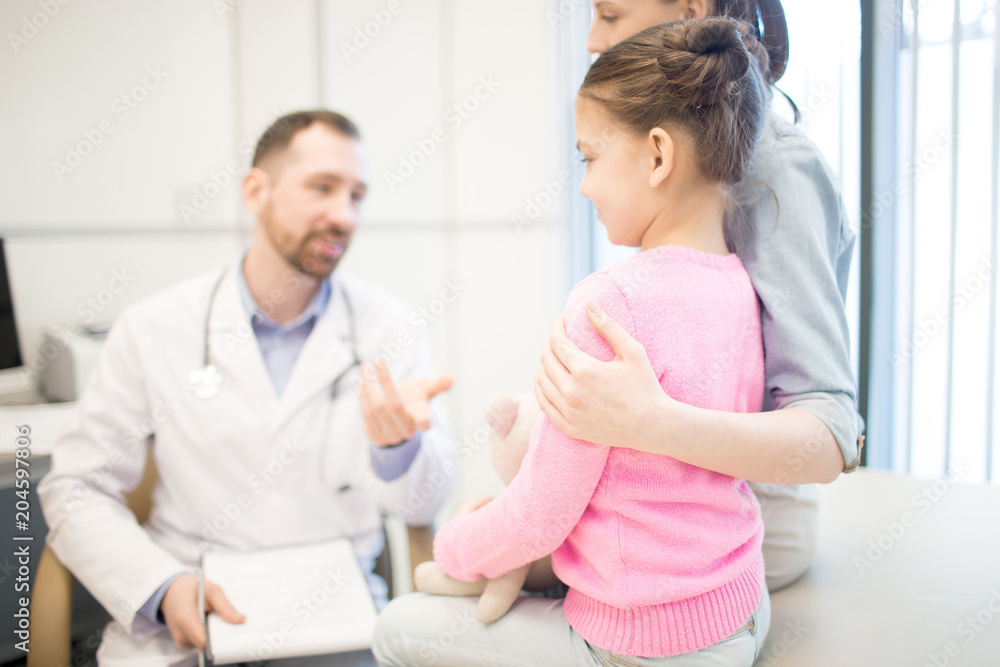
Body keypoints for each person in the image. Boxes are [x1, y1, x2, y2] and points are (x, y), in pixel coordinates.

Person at [374, 17, 774, 665]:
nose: (584, 183)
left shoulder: (610, 301)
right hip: (741, 606)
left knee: (396, 627)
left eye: (589, 156)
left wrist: (453, 543)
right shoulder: (741, 281)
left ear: (658, 155)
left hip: (645, 645)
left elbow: (541, 512)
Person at [38, 110, 456, 667]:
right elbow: (75, 486)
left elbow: (424, 505)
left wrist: (397, 449)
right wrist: (161, 589)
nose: (344, 215)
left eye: (357, 195)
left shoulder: (388, 327)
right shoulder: (154, 327)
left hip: (337, 623)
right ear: (256, 191)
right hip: (187, 617)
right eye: (322, 188)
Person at [528, 0, 864, 592]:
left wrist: (651, 422)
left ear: (692, 9)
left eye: (609, 14)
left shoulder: (776, 168)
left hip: (740, 525)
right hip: (674, 499)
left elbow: (828, 433)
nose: (589, 39)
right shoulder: (686, 174)